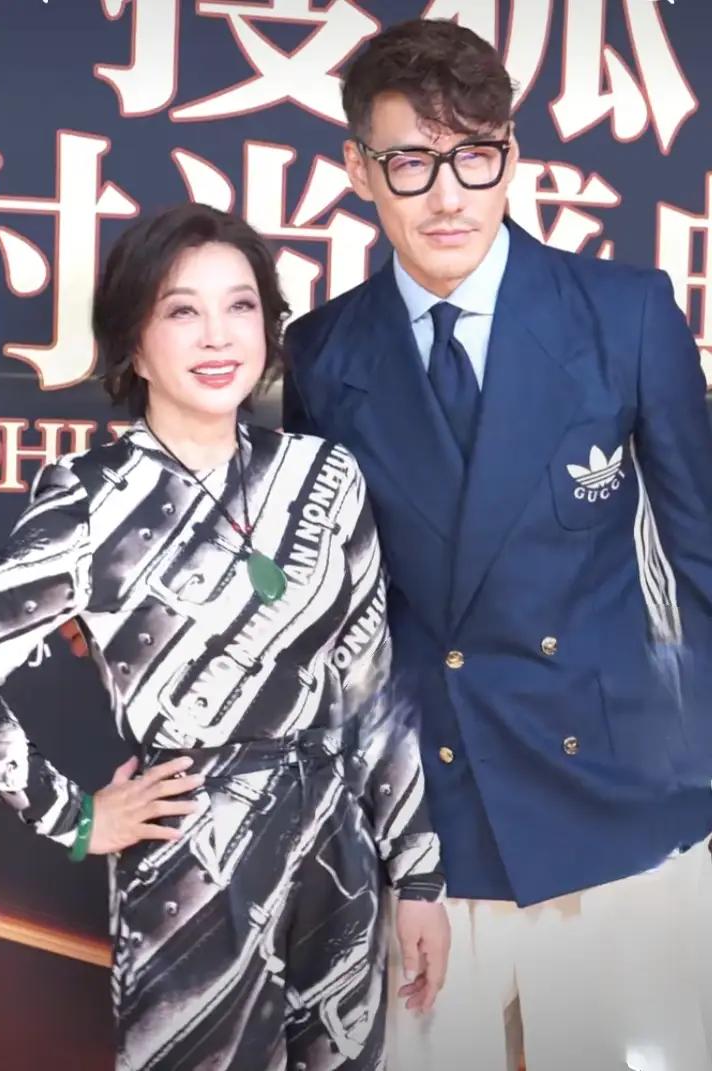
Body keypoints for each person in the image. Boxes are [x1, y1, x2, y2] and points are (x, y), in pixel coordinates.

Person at [282, 17, 712, 1071]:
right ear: (359, 169)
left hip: (621, 807)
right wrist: (380, 844)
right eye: (412, 162)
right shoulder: (322, 353)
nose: (449, 196)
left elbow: (702, 557)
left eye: (475, 156)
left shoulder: (625, 313)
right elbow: (335, 618)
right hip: (433, 824)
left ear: (510, 157)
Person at [0, 203, 449, 1071]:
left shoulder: (325, 474)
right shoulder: (89, 495)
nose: (217, 335)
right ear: (133, 344)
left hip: (337, 855)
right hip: (190, 869)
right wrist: (76, 816)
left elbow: (371, 689)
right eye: (181, 309)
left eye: (240, 305)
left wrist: (417, 875)